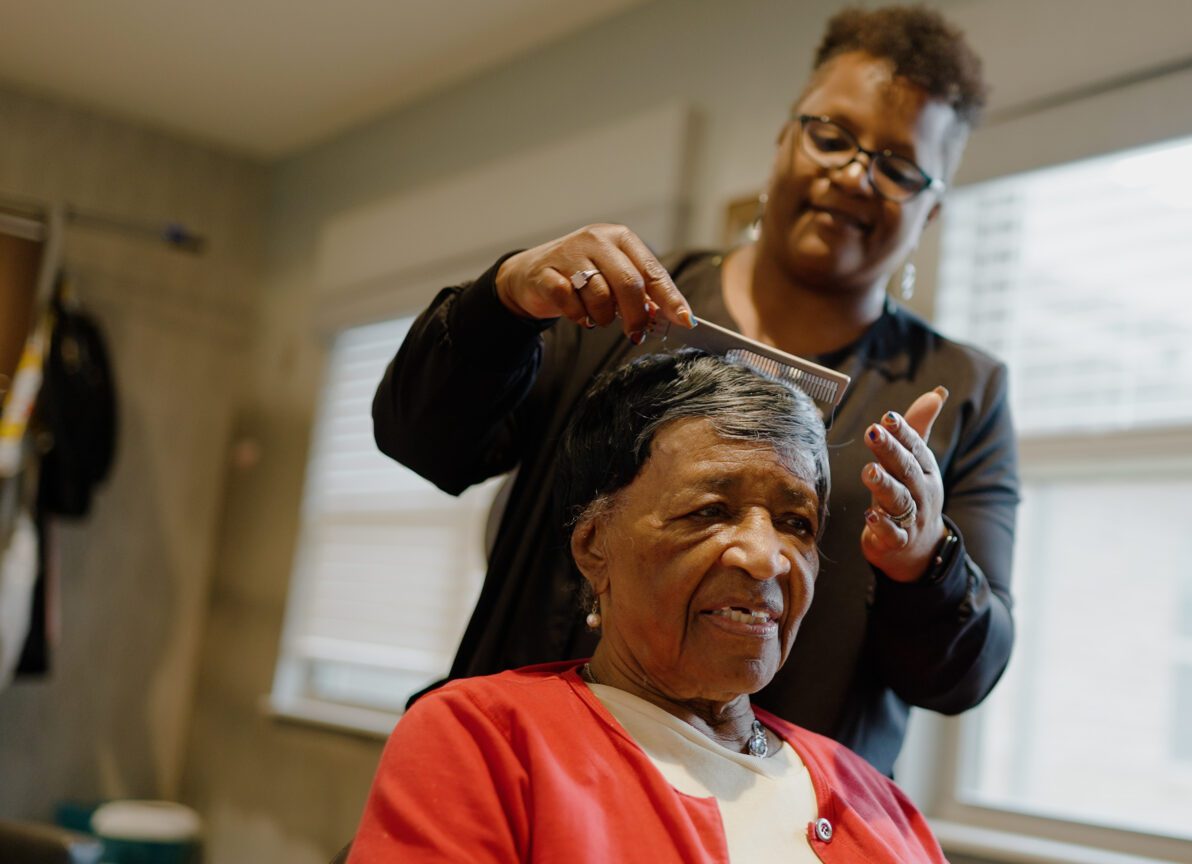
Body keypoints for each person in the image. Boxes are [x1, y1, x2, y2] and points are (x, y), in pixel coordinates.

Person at [373, 4, 1019, 775]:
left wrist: (925, 558)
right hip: (532, 777)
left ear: (932, 208)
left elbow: (965, 676)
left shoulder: (961, 392)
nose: (854, 173)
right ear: (786, 136)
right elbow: (422, 441)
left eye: (899, 165)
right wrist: (503, 299)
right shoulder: (619, 306)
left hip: (765, 821)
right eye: (832, 135)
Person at [350, 352, 946, 863]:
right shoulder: (486, 741)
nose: (767, 558)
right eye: (710, 511)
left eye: (796, 523)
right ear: (593, 546)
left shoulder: (874, 799)